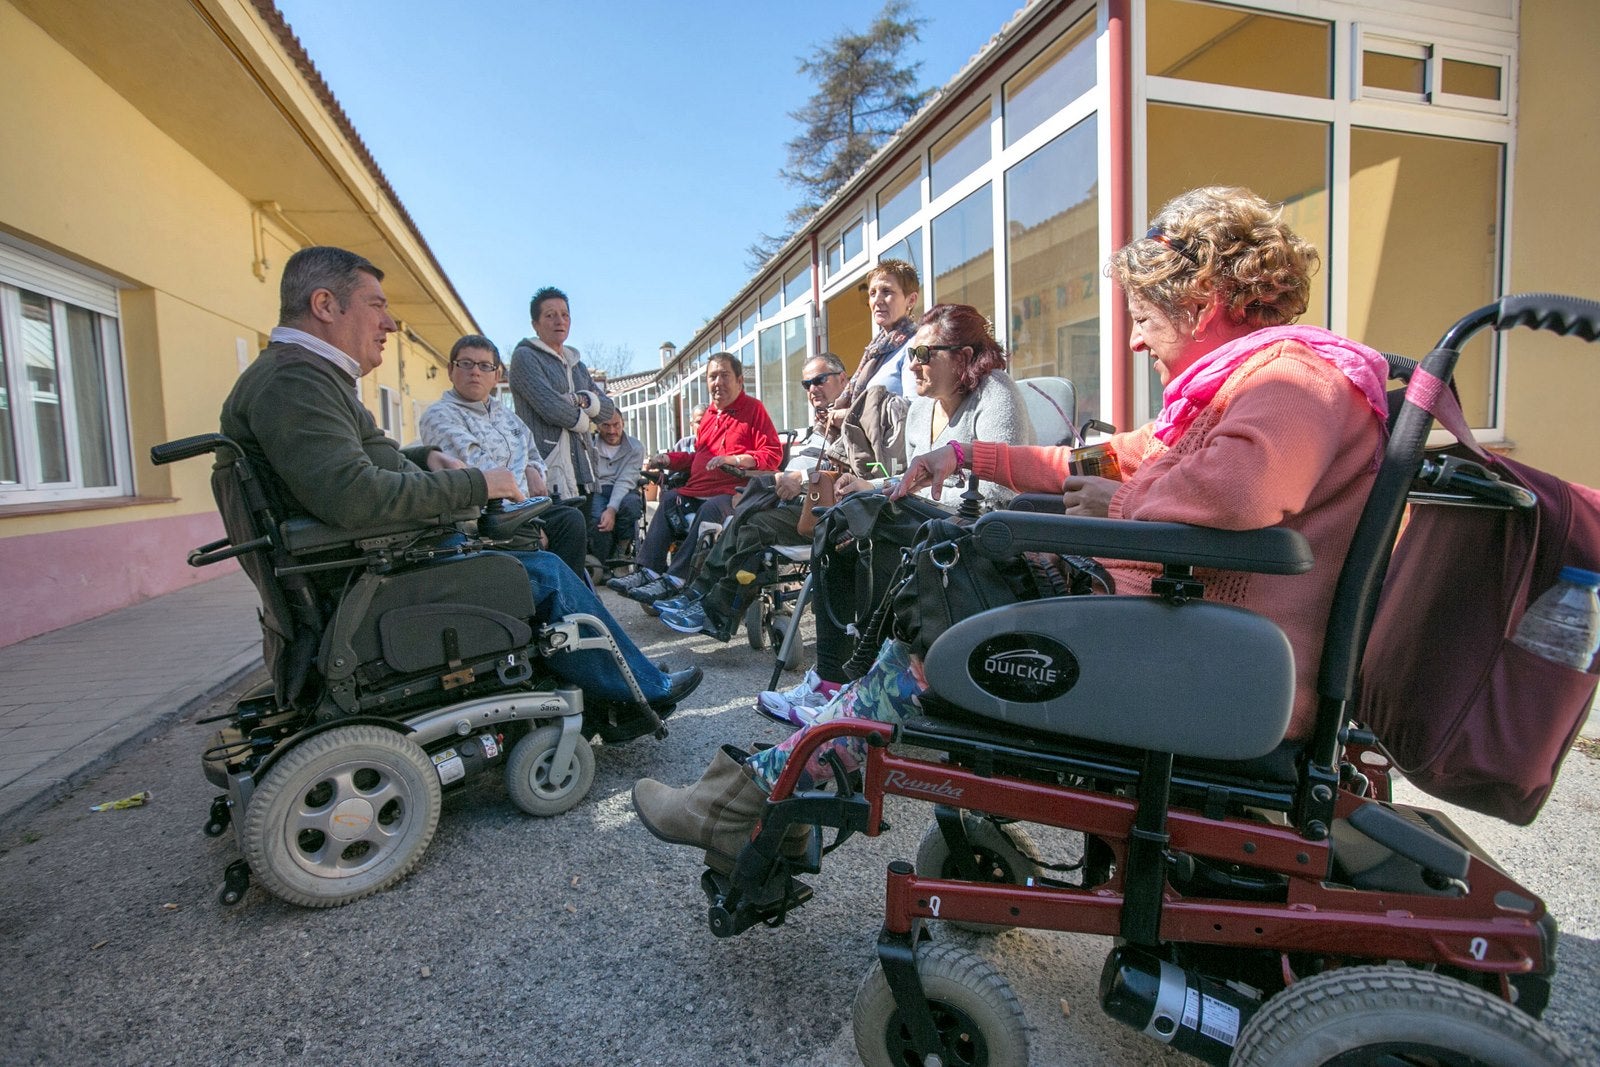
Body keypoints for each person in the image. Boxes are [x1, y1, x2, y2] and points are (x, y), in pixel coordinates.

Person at [631, 186, 1391, 870]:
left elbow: (1240, 492)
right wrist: (967, 452)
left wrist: (1118, 508)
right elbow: (1105, 458)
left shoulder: (1295, 382)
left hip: (1204, 670)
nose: (1132, 341)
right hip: (1179, 640)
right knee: (934, 626)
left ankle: (758, 800)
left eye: (1144, 318)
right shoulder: (1233, 394)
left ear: (1204, 297)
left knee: (947, 636)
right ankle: (773, 791)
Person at [220, 246, 701, 713]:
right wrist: (476, 484)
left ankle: (596, 681)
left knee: (545, 539)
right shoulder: (296, 382)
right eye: (376, 306)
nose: (388, 323)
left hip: (361, 566)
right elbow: (354, 495)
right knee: (544, 570)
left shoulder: (305, 377)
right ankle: (639, 691)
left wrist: (425, 457)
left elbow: (363, 466)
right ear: (325, 305)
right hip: (364, 581)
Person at [756, 303, 1033, 726]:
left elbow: (997, 496)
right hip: (926, 522)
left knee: (877, 530)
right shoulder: (921, 409)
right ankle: (832, 679)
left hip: (977, 536)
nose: (913, 364)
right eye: (909, 356)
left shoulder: (995, 393)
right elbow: (913, 478)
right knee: (838, 521)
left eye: (924, 355)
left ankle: (859, 686)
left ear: (963, 356)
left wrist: (891, 497)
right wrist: (874, 487)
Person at [654, 350, 902, 640]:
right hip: (806, 504)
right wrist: (787, 479)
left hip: (842, 512)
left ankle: (711, 605)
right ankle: (705, 599)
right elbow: (805, 461)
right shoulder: (823, 425)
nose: (812, 389)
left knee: (753, 523)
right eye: (806, 385)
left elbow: (879, 469)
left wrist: (802, 478)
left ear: (843, 379)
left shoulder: (866, 413)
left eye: (819, 380)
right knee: (749, 514)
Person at [607, 353, 783, 604]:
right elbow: (699, 459)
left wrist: (734, 459)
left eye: (724, 375)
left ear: (740, 380)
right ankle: (648, 571)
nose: (717, 382)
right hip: (698, 489)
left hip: (734, 493)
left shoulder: (753, 410)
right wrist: (669, 459)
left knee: (711, 508)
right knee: (669, 499)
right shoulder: (710, 416)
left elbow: (772, 454)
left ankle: (676, 578)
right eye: (712, 376)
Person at [417, 334, 589, 578]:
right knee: (565, 525)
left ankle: (567, 601)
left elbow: (533, 453)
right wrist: (528, 522)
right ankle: (553, 599)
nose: (475, 372)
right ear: (450, 370)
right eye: (466, 364)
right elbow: (481, 472)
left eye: (485, 366)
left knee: (572, 519)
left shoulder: (505, 415)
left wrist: (533, 469)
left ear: (496, 375)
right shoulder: (440, 416)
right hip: (485, 517)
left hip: (523, 506)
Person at [509, 286, 615, 499]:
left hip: (584, 471)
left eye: (565, 315)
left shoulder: (578, 365)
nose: (560, 321)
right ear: (535, 325)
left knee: (585, 531)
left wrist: (579, 399)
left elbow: (608, 409)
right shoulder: (525, 357)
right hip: (547, 471)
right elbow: (552, 409)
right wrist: (586, 420)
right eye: (550, 315)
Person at [589, 409, 646, 564]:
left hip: (626, 489)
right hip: (599, 488)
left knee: (631, 505)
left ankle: (622, 551)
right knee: (597, 517)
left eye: (616, 425)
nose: (612, 431)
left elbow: (625, 480)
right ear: (598, 426)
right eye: (606, 426)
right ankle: (602, 560)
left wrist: (612, 509)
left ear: (623, 424)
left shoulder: (635, 447)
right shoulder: (590, 445)